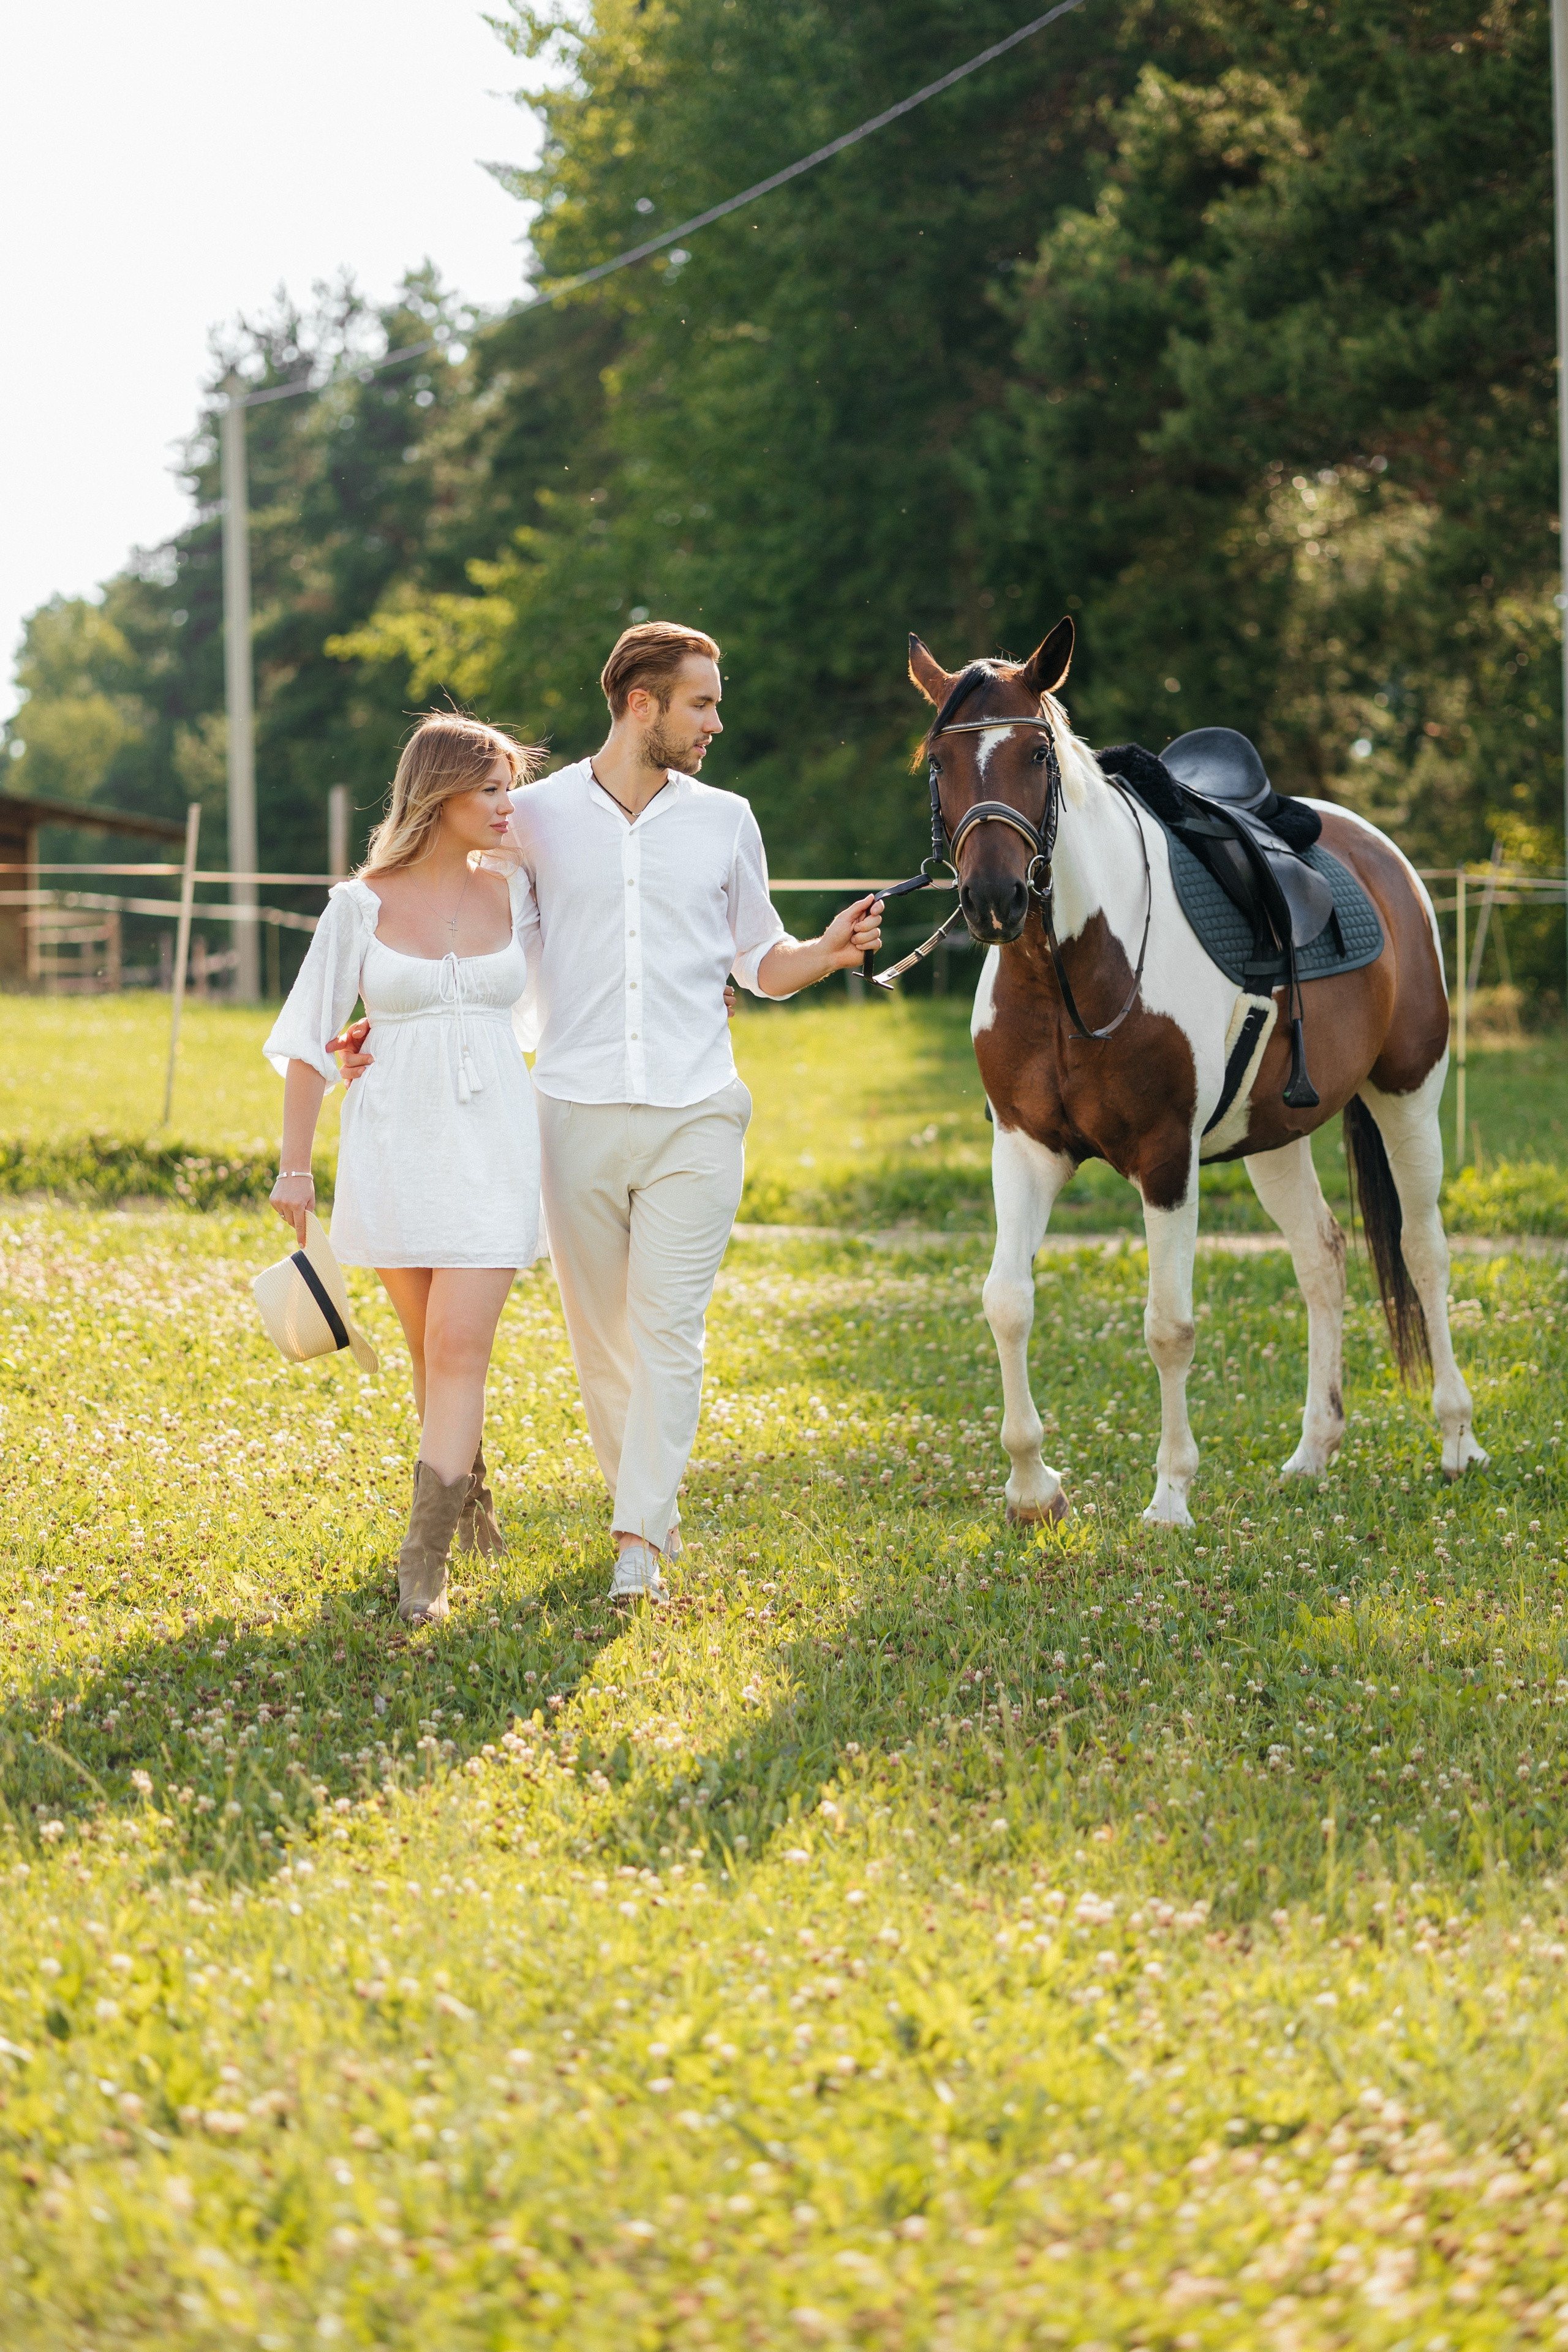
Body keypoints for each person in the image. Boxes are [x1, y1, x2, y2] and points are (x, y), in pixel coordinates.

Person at [339, 621, 882, 1603]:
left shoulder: (728, 819)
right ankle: (638, 1514)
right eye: (702, 703)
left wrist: (829, 951)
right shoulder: (531, 818)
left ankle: (638, 1540)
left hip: (697, 1109)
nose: (716, 721)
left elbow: (759, 962)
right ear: (644, 705)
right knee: (605, 1344)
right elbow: (467, 939)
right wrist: (385, 1031)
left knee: (671, 1328)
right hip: (572, 1110)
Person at [265, 711, 546, 1625]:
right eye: (492, 788)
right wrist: (295, 1169)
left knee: (462, 1346)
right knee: (434, 1354)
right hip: (393, 1146)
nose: (510, 805)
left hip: (496, 1143)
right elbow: (311, 1038)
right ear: (441, 794)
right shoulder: (360, 905)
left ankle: (421, 1560)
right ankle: (470, 1493)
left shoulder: (522, 890)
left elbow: (574, 997)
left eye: (512, 787)